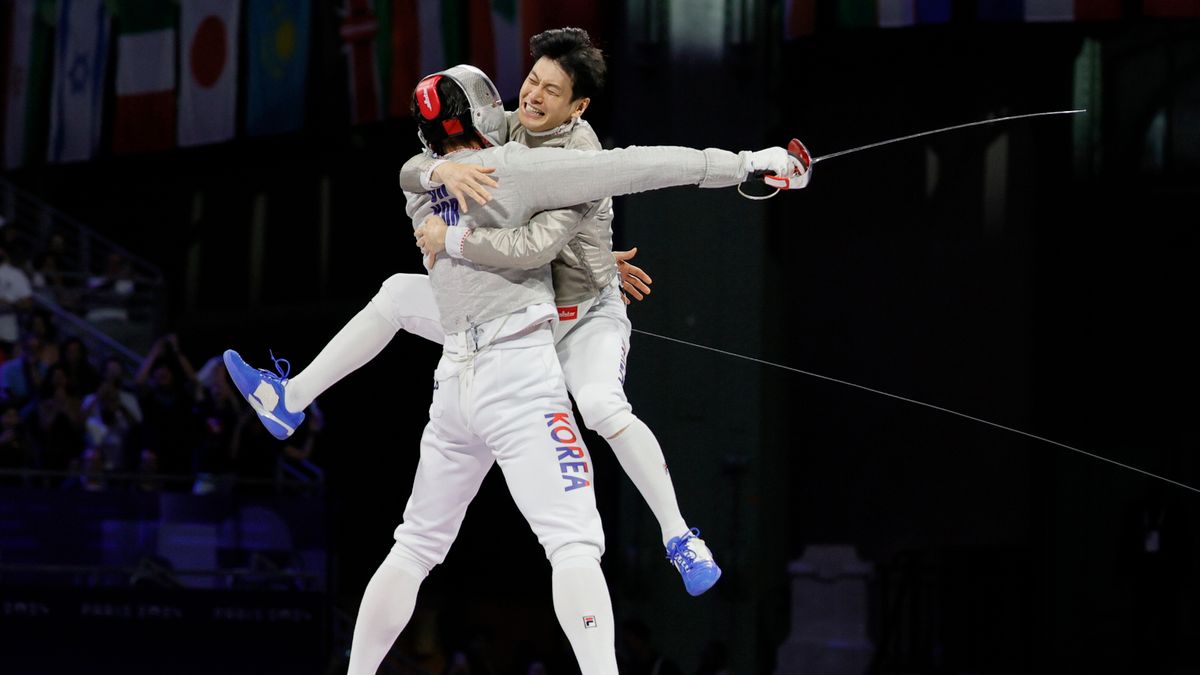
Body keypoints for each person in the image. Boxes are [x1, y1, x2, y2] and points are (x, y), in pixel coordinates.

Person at [224, 64, 804, 675]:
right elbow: (642, 166)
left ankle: (291, 402)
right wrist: (746, 162)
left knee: (415, 546)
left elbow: (415, 163)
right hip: (520, 377)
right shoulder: (517, 170)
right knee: (574, 545)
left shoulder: (418, 185)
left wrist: (438, 167)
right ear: (480, 114)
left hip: (453, 383)